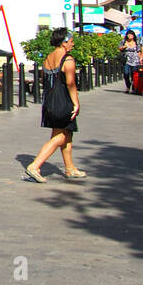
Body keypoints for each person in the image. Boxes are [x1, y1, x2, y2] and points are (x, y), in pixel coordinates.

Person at [25, 28, 83, 182]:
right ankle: (35, 165)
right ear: (64, 43)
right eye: (70, 41)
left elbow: (47, 80)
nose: (72, 44)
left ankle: (70, 168)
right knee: (62, 136)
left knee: (66, 133)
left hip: (50, 100)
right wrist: (76, 103)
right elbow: (70, 83)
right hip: (63, 101)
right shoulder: (68, 60)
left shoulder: (48, 58)